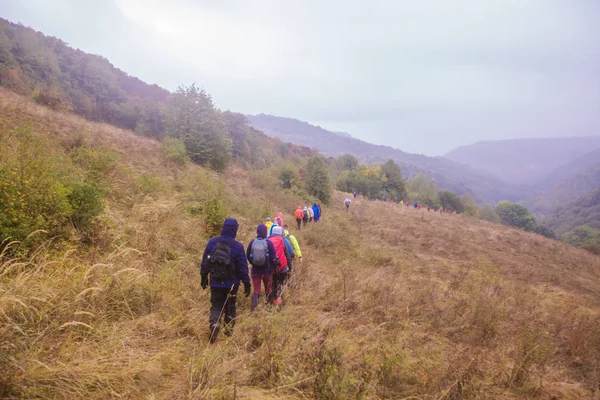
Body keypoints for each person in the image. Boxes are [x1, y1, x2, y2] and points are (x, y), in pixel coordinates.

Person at [200, 218, 251, 343]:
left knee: (216, 306)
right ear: (235, 230)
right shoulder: (237, 246)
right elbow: (242, 267)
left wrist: (204, 277)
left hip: (215, 282)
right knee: (230, 307)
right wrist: (246, 283)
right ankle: (228, 334)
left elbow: (205, 262)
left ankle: (214, 324)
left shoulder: (212, 242)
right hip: (232, 284)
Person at [246, 224, 277, 312]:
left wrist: (253, 263)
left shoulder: (252, 242)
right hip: (267, 271)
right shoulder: (269, 243)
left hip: (255, 271)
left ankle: (253, 310)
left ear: (257, 232)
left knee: (256, 290)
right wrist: (272, 268)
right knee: (268, 289)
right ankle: (269, 308)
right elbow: (273, 257)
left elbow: (248, 255)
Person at [269, 226, 292, 305]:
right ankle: (280, 298)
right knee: (281, 282)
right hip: (282, 266)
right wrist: (290, 267)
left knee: (273, 283)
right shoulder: (283, 240)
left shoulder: (268, 240)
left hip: (272, 267)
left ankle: (273, 300)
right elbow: (287, 255)